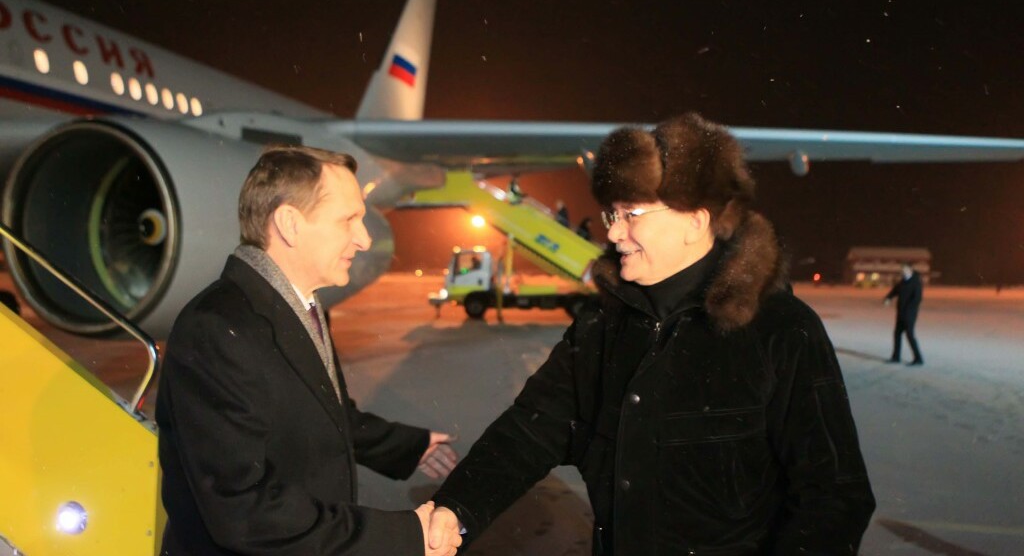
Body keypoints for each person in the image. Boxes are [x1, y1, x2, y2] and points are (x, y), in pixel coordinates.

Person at [427, 113, 875, 554]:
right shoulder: (602, 325)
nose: (614, 232)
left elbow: (834, 494)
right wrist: (458, 508)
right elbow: (531, 430)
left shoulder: (781, 330)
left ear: (695, 220)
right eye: (612, 213)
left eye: (631, 214)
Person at [156, 146, 462, 556]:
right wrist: (401, 536)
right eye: (348, 219)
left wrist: (410, 446)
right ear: (290, 224)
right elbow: (243, 510)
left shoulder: (302, 307)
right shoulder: (216, 328)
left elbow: (326, 413)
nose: (364, 238)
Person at [884, 263, 924, 365]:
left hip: (909, 314)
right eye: (902, 270)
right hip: (901, 313)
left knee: (910, 335)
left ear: (910, 270)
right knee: (897, 334)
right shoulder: (902, 281)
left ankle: (918, 359)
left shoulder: (916, 282)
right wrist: (888, 298)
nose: (903, 272)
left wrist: (908, 311)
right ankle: (896, 357)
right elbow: (894, 291)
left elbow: (917, 299)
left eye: (905, 270)